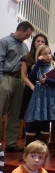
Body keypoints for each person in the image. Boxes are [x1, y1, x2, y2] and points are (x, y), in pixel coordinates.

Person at [0, 21, 34, 151]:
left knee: (14, 113)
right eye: (27, 34)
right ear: (20, 29)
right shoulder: (4, 42)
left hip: (19, 80)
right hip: (6, 78)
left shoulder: (25, 47)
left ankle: (11, 143)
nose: (27, 37)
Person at [24, 45, 55, 145]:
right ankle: (29, 147)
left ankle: (43, 146)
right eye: (44, 54)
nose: (48, 56)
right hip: (38, 96)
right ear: (39, 55)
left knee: (46, 119)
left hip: (50, 95)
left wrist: (48, 80)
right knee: (33, 119)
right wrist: (38, 63)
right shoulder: (35, 66)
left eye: (49, 53)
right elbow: (31, 77)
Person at [20, 34, 49, 121]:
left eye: (42, 41)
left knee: (43, 118)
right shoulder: (27, 58)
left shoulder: (50, 58)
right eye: (38, 41)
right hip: (31, 89)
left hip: (45, 91)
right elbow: (23, 76)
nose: (40, 43)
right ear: (34, 43)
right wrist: (32, 87)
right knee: (29, 117)